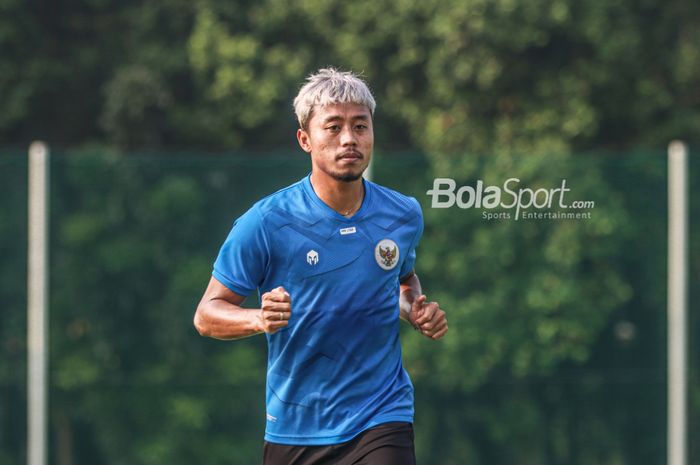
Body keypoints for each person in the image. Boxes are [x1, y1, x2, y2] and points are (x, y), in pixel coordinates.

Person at [194, 68, 448, 465]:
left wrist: (414, 308)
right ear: (305, 139)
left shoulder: (403, 214)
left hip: (382, 415)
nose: (349, 139)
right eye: (333, 127)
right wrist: (260, 318)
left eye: (360, 126)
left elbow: (401, 281)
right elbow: (207, 315)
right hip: (296, 426)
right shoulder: (265, 223)